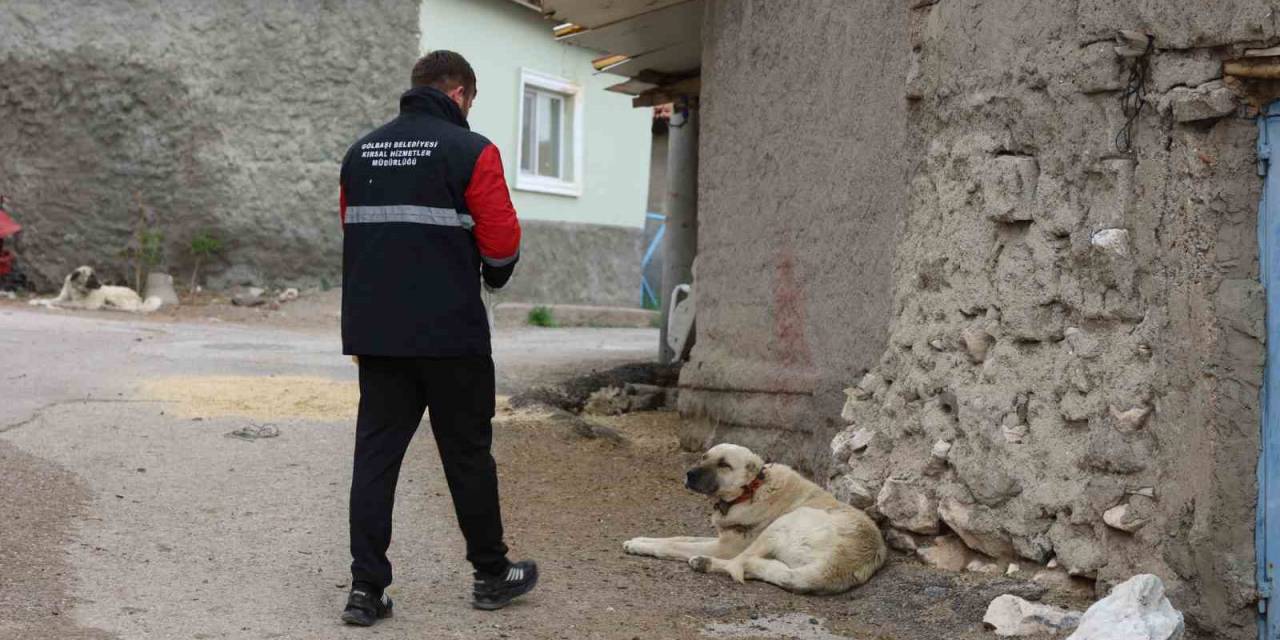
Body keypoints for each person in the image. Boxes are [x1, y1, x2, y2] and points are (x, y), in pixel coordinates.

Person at [337, 50, 535, 626]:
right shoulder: (472, 151)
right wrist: (492, 277)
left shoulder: (360, 153)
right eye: (470, 100)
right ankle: (492, 576)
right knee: (467, 455)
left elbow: (355, 231)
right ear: (460, 95)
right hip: (452, 336)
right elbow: (500, 240)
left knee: (375, 459)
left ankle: (365, 590)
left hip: (379, 337)